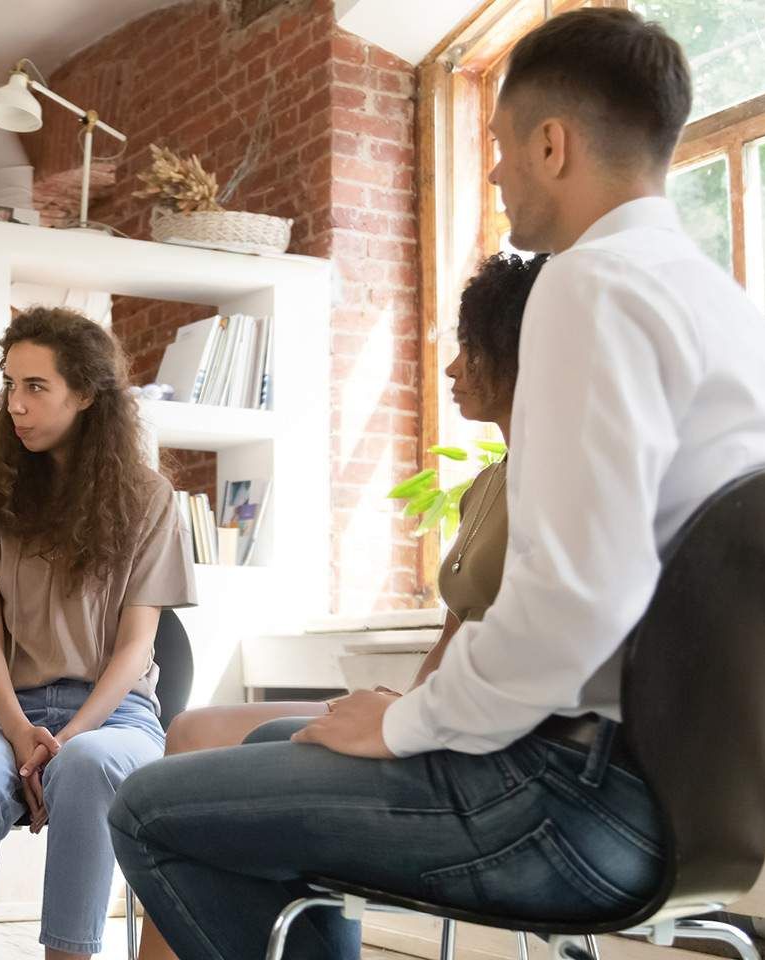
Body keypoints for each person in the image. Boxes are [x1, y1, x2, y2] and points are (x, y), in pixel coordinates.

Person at [110, 9, 765, 960]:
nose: (500, 171)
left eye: (504, 147)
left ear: (552, 145)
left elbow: (574, 603)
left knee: (147, 806)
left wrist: (406, 723)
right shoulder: (727, 310)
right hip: (695, 805)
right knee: (272, 754)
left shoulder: (586, 284)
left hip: (575, 805)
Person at [131, 250, 547, 960]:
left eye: (469, 350)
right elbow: (452, 643)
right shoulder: (487, 486)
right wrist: (401, 704)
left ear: (515, 355)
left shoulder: (557, 487)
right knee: (196, 731)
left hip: (468, 752)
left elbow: (522, 658)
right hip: (429, 717)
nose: (450, 370)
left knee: (195, 783)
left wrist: (406, 720)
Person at [0, 307, 196, 960]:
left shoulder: (148, 498)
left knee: (88, 765)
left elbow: (136, 649)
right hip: (6, 714)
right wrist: (18, 732)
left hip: (115, 719)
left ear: (87, 394)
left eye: (35, 387)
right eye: (9, 384)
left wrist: (65, 740)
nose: (15, 404)